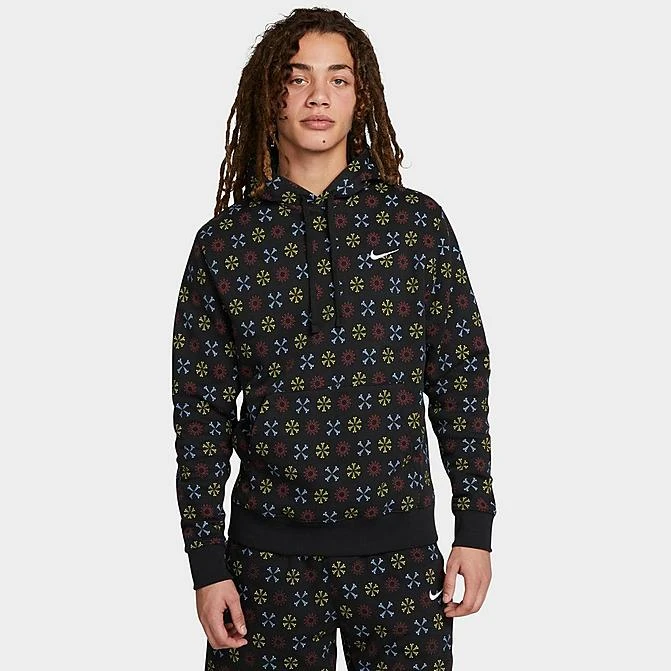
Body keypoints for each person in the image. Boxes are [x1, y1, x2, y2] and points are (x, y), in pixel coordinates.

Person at [171, 7, 496, 670]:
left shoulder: (415, 225)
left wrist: (474, 524)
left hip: (401, 556)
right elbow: (199, 410)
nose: (318, 96)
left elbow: (459, 376)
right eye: (298, 78)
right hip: (265, 563)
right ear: (270, 94)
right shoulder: (225, 244)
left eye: (338, 79)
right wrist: (207, 561)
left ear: (360, 97)